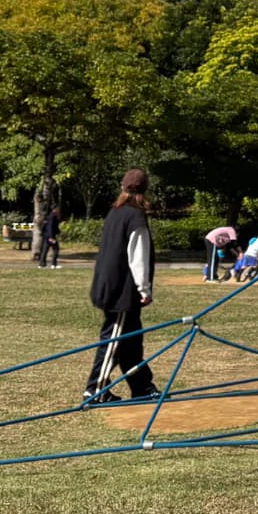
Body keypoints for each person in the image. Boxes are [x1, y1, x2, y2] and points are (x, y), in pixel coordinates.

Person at [84, 169, 157, 404]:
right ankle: (96, 390)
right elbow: (138, 256)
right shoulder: (135, 217)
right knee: (114, 339)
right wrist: (144, 289)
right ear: (145, 190)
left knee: (132, 342)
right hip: (122, 291)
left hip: (109, 284)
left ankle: (142, 386)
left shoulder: (115, 212)